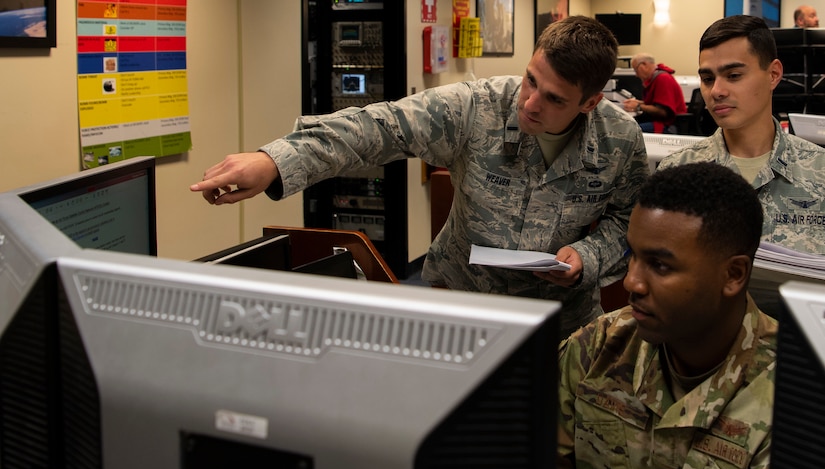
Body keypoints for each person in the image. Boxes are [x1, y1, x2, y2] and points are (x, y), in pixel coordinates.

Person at [190, 16, 649, 337]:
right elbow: (377, 127)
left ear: (589, 103)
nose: (530, 103)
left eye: (553, 98)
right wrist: (275, 160)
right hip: (465, 305)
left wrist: (587, 256)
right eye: (530, 80)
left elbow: (628, 222)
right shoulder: (478, 107)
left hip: (562, 322)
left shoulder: (619, 139)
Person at [557, 162, 775, 469]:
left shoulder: (792, 396)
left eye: (659, 265)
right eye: (632, 256)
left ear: (734, 275)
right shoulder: (600, 347)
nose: (631, 282)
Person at [657, 15, 825, 255]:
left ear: (773, 74)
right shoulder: (677, 171)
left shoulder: (820, 170)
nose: (716, 91)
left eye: (734, 76)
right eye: (707, 79)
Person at [621, 53, 687, 133]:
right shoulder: (657, 78)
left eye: (636, 70)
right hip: (663, 122)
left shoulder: (663, 79)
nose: (636, 75)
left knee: (629, 131)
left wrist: (638, 106)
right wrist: (639, 102)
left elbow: (663, 111)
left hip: (669, 125)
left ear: (644, 65)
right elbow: (657, 102)